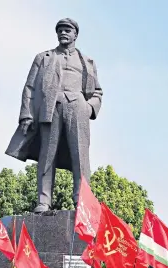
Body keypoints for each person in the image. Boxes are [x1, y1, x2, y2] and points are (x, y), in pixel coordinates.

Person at [5, 18, 103, 213]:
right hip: (51, 108)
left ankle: (82, 201)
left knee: (80, 156)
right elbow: (30, 87)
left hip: (78, 108)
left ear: (75, 34)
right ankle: (44, 200)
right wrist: (26, 114)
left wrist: (89, 108)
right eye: (60, 30)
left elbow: (97, 92)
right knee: (47, 155)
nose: (63, 33)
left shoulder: (87, 62)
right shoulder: (44, 58)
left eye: (67, 30)